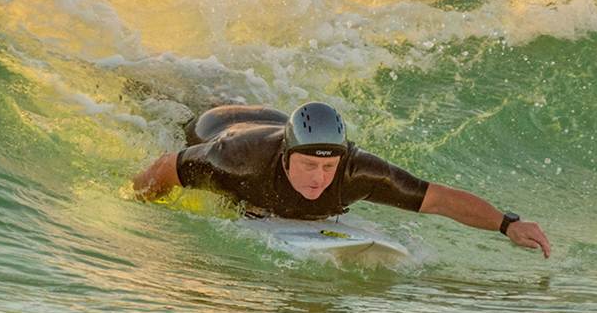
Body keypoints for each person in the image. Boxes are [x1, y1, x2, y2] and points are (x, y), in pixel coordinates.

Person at [130, 102, 552, 258]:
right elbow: (167, 167)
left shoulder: (357, 171)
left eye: (328, 167)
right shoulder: (236, 160)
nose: (320, 178)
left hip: (278, 118)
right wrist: (141, 208)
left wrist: (507, 224)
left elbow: (438, 199)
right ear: (285, 158)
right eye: (308, 166)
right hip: (217, 123)